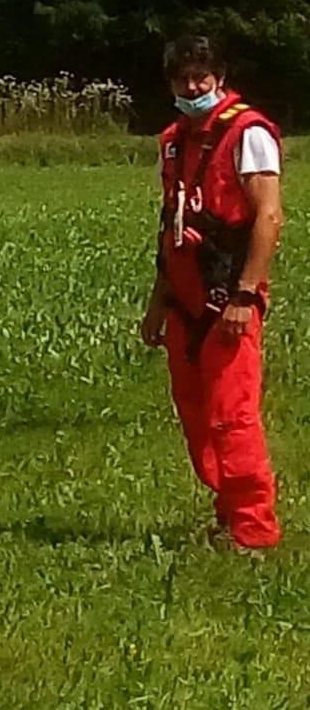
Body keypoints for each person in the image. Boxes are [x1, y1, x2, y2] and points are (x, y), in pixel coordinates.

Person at [141, 34, 283, 552]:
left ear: (219, 78)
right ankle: (227, 515)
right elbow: (171, 227)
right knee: (198, 419)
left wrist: (244, 295)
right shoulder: (174, 142)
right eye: (183, 79)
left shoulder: (248, 135)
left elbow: (267, 216)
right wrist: (157, 304)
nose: (193, 86)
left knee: (233, 416)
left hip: (228, 300)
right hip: (183, 301)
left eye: (201, 77)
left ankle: (254, 531)